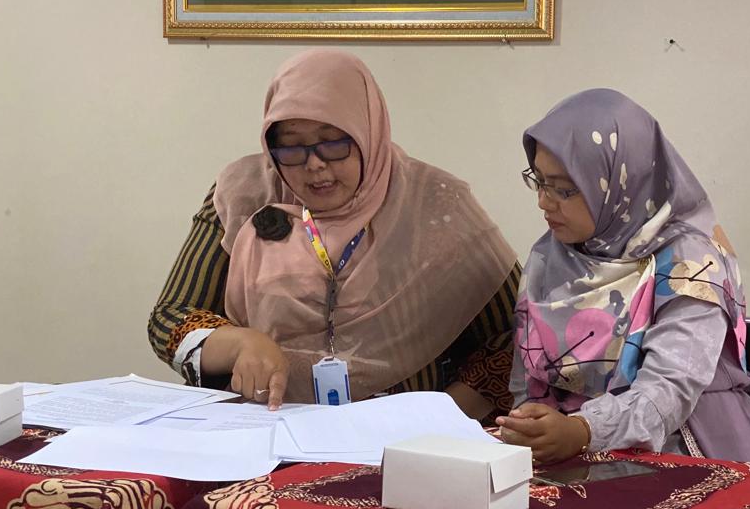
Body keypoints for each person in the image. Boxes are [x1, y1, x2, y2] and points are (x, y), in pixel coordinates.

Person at [148, 50, 519, 419]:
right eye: (292, 146)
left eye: (334, 143)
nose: (314, 164)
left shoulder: (434, 203)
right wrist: (240, 343)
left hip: (404, 433)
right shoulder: (242, 194)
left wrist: (440, 415)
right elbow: (170, 316)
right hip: (267, 423)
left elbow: (518, 334)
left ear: (368, 133)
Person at [498, 89, 750, 466]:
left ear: (621, 181)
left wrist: (584, 430)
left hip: (682, 444)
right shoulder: (550, 255)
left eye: (565, 189)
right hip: (571, 449)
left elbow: (669, 389)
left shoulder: (690, 261)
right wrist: (528, 427)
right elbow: (527, 377)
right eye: (539, 180)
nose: (543, 201)